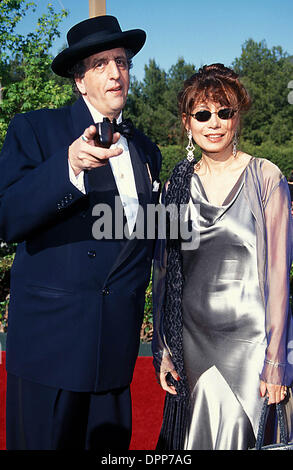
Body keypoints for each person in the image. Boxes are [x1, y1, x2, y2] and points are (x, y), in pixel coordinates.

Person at [0, 15, 161, 450]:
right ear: (80, 80)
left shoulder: (147, 150)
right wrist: (67, 166)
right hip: (50, 348)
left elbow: (143, 241)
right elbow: (8, 218)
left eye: (122, 62)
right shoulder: (34, 130)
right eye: (101, 63)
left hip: (114, 352)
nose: (116, 72)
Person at [152, 63, 293, 450]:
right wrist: (165, 349)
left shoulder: (266, 177)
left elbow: (280, 277)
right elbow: (164, 271)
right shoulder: (176, 187)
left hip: (251, 349)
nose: (213, 123)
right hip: (193, 346)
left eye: (224, 112)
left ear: (237, 117)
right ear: (187, 122)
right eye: (202, 114)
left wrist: (276, 361)